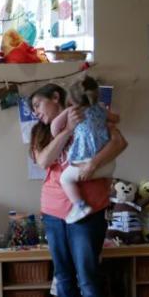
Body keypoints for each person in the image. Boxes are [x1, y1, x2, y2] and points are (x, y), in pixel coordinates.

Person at [29, 82, 127, 297]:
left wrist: (93, 164)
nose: (36, 112)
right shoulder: (41, 131)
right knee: (63, 276)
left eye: (38, 105)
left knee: (87, 276)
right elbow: (44, 161)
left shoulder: (93, 114)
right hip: (53, 212)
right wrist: (68, 129)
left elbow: (120, 143)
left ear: (56, 97)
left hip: (89, 212)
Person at [52, 74, 117, 224]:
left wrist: (65, 117)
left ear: (72, 99)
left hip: (85, 163)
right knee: (107, 181)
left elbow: (54, 129)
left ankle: (80, 205)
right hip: (108, 165)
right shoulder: (101, 108)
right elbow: (116, 118)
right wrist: (108, 123)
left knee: (65, 179)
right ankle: (108, 199)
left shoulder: (73, 111)